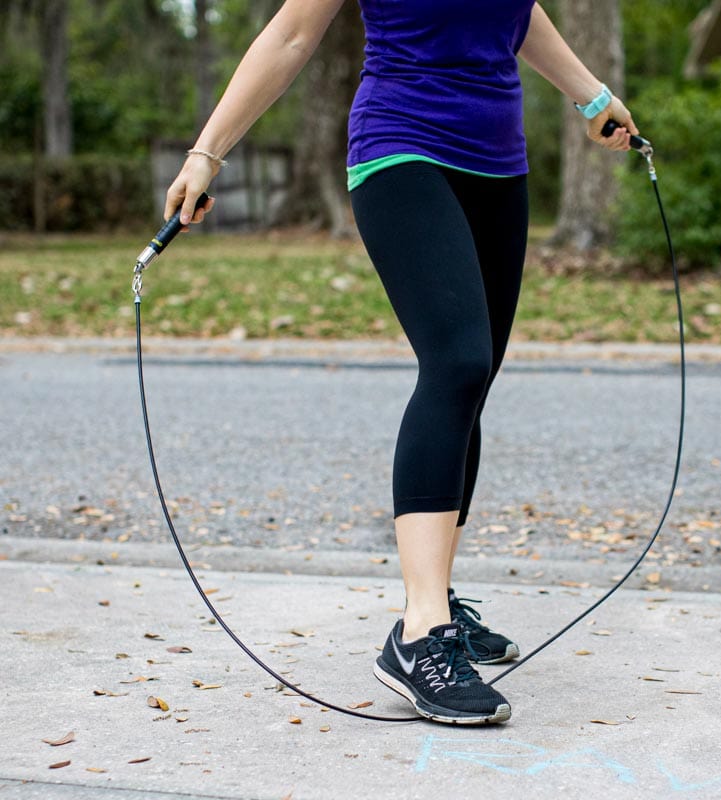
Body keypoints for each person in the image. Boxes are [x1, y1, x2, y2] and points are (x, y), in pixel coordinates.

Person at [164, 0, 639, 725]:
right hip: (402, 145)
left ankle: (441, 602)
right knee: (454, 362)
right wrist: (206, 153)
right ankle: (419, 634)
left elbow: (517, 14)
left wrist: (592, 94)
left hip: (497, 160)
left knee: (473, 379)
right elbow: (292, 33)